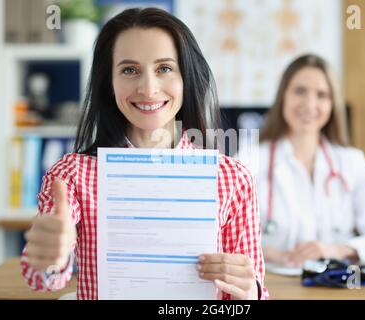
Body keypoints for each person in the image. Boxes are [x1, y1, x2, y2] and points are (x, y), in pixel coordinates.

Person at [20, 7, 267, 300]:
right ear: (109, 84)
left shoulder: (232, 178)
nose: (148, 88)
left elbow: (250, 297)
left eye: (164, 68)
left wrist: (249, 291)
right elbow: (43, 278)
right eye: (129, 70)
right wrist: (50, 259)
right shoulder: (73, 175)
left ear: (186, 78)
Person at [238, 54, 365, 267]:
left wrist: (336, 250)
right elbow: (219, 237)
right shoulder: (248, 160)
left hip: (333, 287)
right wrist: (265, 252)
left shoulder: (351, 163)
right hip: (268, 286)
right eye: (299, 91)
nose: (310, 104)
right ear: (283, 97)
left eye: (322, 95)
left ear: (332, 103)